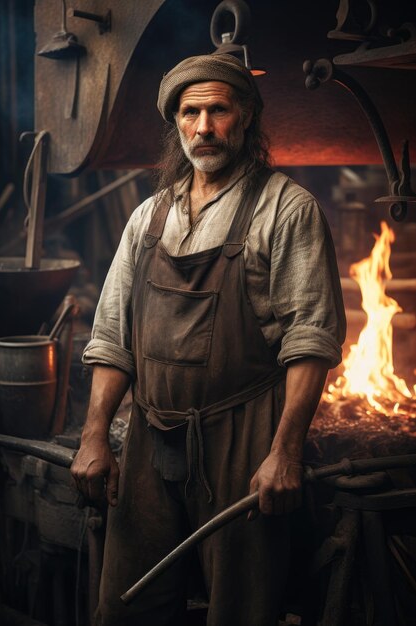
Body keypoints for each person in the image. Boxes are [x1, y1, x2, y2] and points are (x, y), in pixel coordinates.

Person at [71, 53, 346, 626]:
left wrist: (285, 451)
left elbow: (310, 339)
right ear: (174, 123)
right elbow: (111, 337)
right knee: (125, 605)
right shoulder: (148, 217)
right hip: (149, 438)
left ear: (246, 117)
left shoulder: (286, 208)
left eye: (218, 110)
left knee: (240, 610)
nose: (203, 127)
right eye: (190, 112)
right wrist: (96, 435)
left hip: (242, 442)